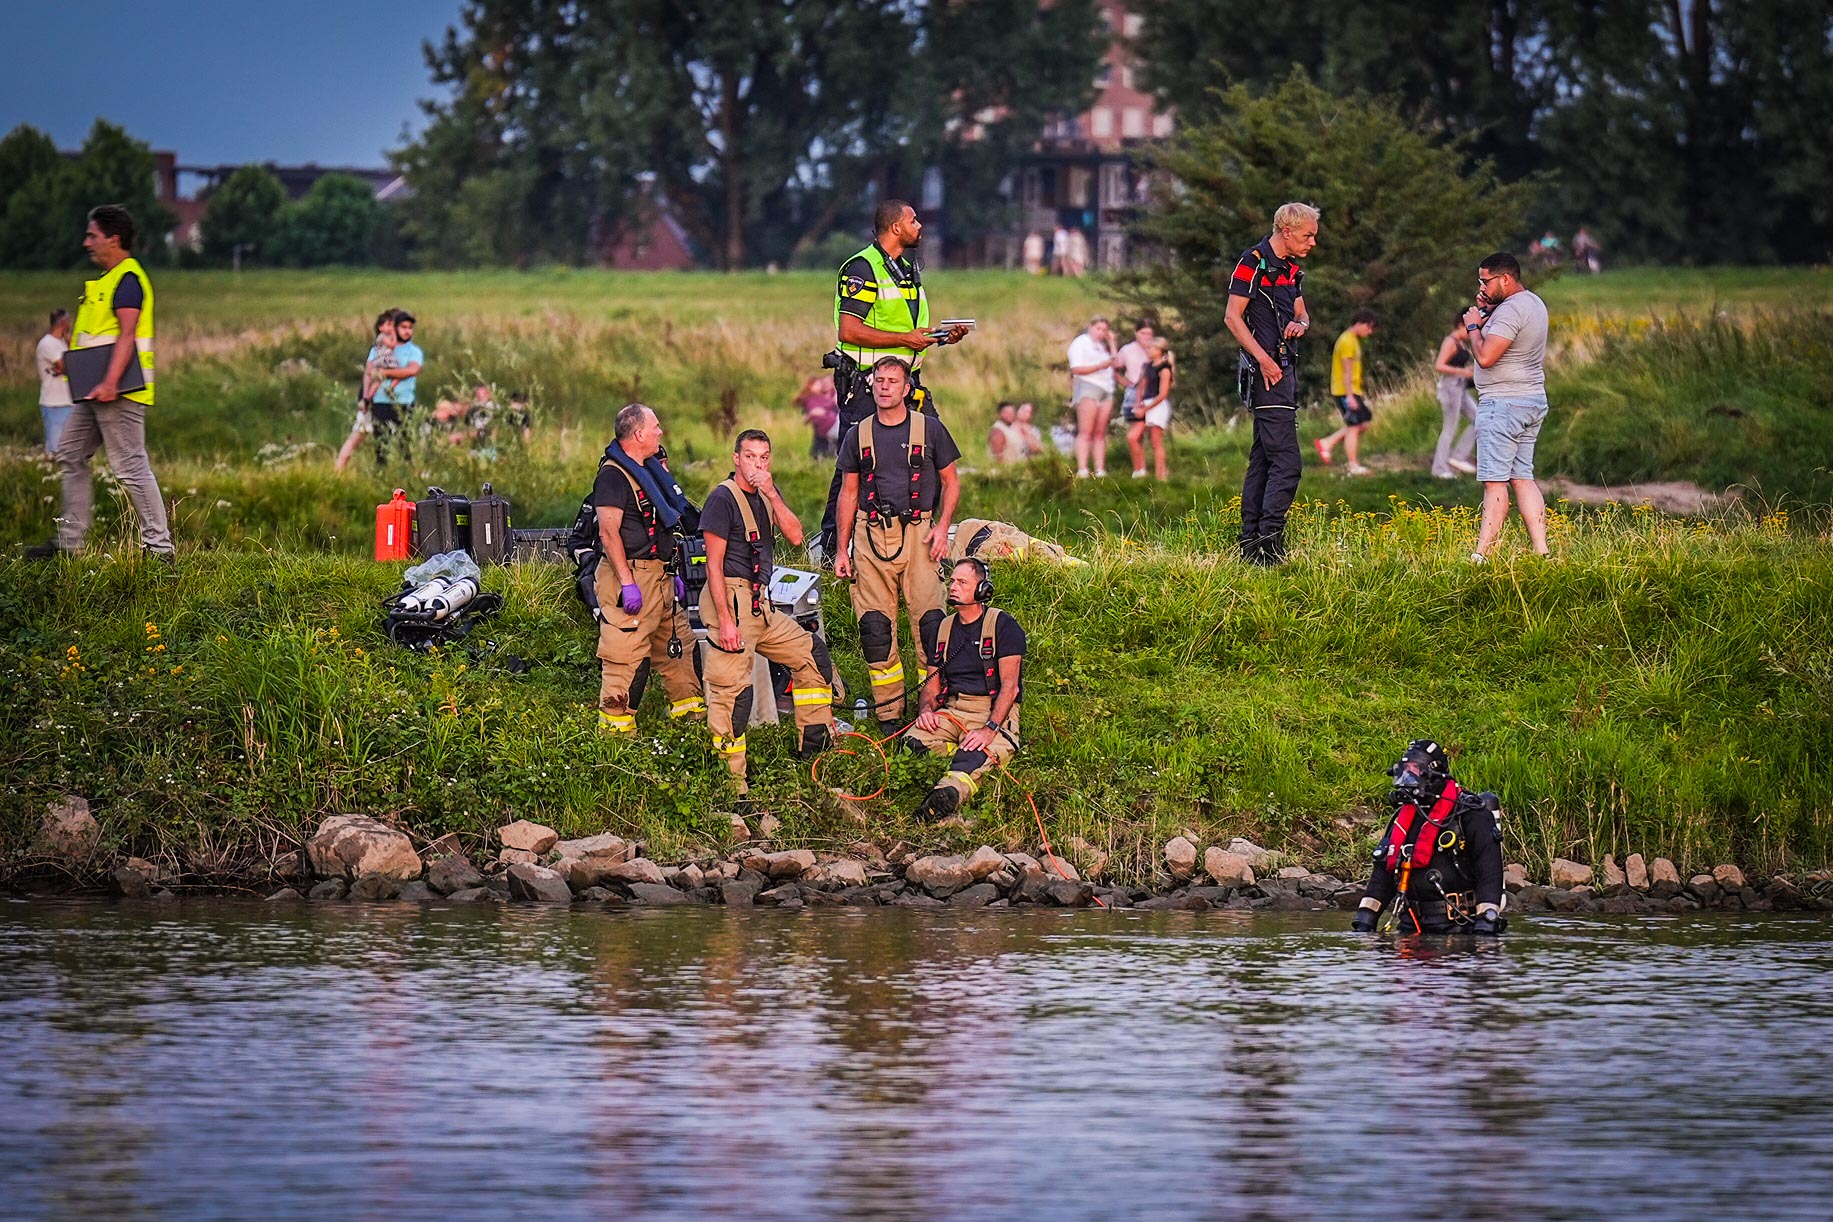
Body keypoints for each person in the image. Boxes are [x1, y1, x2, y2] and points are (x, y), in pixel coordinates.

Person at [817, 199, 968, 560]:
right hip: (867, 384)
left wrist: (938, 336)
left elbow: (905, 328)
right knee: (852, 465)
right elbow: (850, 329)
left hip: (908, 383)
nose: (920, 226)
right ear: (896, 228)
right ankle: (830, 549)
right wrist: (906, 339)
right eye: (914, 220)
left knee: (932, 452)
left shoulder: (906, 268)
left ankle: (920, 541)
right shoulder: (863, 268)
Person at [700, 429, 838, 809]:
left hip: (762, 603)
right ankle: (732, 787)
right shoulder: (721, 499)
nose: (757, 464)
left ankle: (813, 749)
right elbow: (713, 565)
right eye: (750, 457)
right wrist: (726, 622)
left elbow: (795, 536)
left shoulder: (764, 495)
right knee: (733, 694)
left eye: (764, 457)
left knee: (812, 655)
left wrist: (774, 493)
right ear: (736, 459)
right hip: (732, 600)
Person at [29, 205, 173, 562]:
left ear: (114, 239)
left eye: (92, 235)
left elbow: (127, 336)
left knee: (130, 466)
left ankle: (160, 550)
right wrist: (74, 369)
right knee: (70, 452)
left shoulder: (127, 279)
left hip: (118, 392)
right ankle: (70, 544)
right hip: (93, 390)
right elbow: (97, 339)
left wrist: (110, 382)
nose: (86, 242)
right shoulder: (107, 281)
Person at [834, 356, 963, 735]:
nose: (884, 386)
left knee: (931, 626)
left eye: (892, 381)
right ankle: (889, 716)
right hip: (870, 536)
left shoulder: (931, 429)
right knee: (875, 630)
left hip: (920, 535)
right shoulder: (857, 434)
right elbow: (848, 492)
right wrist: (842, 550)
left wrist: (942, 529)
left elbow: (951, 482)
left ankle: (932, 706)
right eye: (878, 380)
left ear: (907, 388)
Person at [591, 403, 707, 734]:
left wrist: (670, 572)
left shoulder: (651, 471)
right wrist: (628, 583)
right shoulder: (613, 476)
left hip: (662, 578)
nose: (660, 432)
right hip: (632, 578)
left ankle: (691, 725)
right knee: (626, 660)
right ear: (639, 433)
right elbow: (608, 533)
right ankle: (615, 739)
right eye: (655, 426)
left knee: (679, 651)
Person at [896, 558, 1026, 823]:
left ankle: (947, 795)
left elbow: (1010, 687)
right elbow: (932, 684)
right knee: (910, 744)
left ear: (982, 590)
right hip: (953, 710)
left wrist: (989, 730)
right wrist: (925, 711)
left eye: (962, 582)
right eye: (952, 581)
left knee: (970, 763)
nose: (953, 587)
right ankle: (960, 752)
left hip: (991, 711)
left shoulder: (1003, 625)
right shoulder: (943, 628)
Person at [1226, 201, 1317, 564]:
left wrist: (1302, 325)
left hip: (1284, 369)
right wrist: (1263, 360)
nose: (1312, 243)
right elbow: (1233, 318)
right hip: (1266, 374)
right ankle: (1270, 543)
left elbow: (1301, 310)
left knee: (1264, 460)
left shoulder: (1291, 269)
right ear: (1287, 230)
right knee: (1288, 463)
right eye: (1308, 236)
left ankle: (1251, 545)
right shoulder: (1253, 262)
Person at [1351, 739, 1505, 936]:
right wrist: (1365, 920)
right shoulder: (1403, 818)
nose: (1408, 778)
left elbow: (1490, 872)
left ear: (1435, 774)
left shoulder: (1470, 814)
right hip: (1411, 927)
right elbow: (1384, 871)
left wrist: (1485, 926)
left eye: (1415, 771)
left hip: (1460, 927)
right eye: (1405, 771)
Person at [1463, 252, 1551, 561]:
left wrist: (1474, 325)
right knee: (1522, 478)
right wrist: (1487, 312)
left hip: (1504, 404)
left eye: (1485, 281)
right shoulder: (1533, 303)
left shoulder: (1511, 311)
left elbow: (1486, 357)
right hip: (1531, 399)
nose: (1481, 287)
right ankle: (1542, 552)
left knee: (1494, 481)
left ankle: (1482, 556)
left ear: (1505, 279)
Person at [1315, 309, 1379, 476]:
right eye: (1369, 327)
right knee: (1354, 426)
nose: (1369, 332)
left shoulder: (1352, 340)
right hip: (1345, 391)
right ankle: (1352, 465)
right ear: (1360, 323)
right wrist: (1350, 396)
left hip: (1351, 390)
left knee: (1363, 423)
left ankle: (1327, 442)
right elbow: (1346, 371)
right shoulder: (1347, 341)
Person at [335, 310, 398, 472]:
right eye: (390, 324)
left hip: (377, 398)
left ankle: (340, 468)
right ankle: (339, 468)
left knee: (366, 434)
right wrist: (367, 397)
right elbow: (372, 373)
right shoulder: (383, 347)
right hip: (374, 399)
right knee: (359, 434)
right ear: (381, 327)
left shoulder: (379, 347)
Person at [1067, 317, 1120, 478]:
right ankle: (1082, 468)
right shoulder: (1080, 343)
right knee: (1086, 430)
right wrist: (1098, 366)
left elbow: (1114, 362)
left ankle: (1099, 468)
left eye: (1104, 330)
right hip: (1088, 386)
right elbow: (1076, 369)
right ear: (1090, 327)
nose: (1101, 333)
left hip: (1106, 387)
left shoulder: (1101, 347)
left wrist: (1112, 343)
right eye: (1098, 329)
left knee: (1100, 432)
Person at [370, 309, 423, 461]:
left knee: (405, 445)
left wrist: (386, 373)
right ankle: (382, 477)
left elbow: (412, 370)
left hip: (404, 402)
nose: (407, 331)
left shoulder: (414, 351)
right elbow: (370, 371)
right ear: (395, 328)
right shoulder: (380, 348)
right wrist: (366, 396)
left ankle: (406, 479)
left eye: (410, 328)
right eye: (403, 327)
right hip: (381, 401)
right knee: (381, 445)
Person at [1430, 315, 1479, 479]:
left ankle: (1458, 456)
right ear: (1459, 324)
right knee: (1450, 427)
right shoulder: (1450, 341)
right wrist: (1462, 372)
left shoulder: (1461, 343)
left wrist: (1469, 370)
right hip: (1451, 387)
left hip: (1461, 386)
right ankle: (1439, 468)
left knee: (1480, 419)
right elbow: (1439, 365)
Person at [1127, 336, 1174, 481]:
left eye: (1152, 348)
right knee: (1133, 436)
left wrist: (1146, 408)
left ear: (1160, 351)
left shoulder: (1164, 368)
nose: (1149, 351)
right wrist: (1138, 402)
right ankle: (1139, 469)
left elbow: (1163, 393)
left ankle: (1161, 475)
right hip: (1145, 403)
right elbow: (1142, 385)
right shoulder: (1147, 366)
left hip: (1156, 404)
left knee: (1156, 441)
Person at [36, 308, 73, 456]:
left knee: (69, 449)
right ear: (63, 323)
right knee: (56, 449)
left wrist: (70, 342)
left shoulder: (62, 343)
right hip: (54, 402)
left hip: (67, 400)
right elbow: (65, 366)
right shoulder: (48, 343)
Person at [1115, 321, 1155, 427]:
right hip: (1134, 387)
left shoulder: (1155, 349)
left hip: (1152, 389)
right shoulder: (1127, 349)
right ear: (1136, 333)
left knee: (1152, 425)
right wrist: (1122, 380)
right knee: (1135, 426)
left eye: (1149, 334)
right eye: (1143, 333)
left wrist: (1148, 349)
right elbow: (1113, 366)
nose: (1146, 337)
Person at [795, 372, 840, 459]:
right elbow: (817, 410)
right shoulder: (813, 399)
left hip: (831, 423)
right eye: (820, 384)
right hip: (828, 426)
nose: (823, 386)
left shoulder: (830, 395)